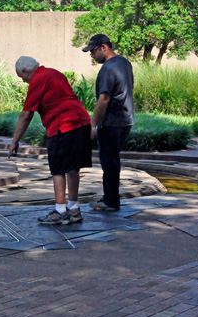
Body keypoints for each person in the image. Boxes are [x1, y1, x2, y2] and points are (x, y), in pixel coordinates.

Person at [8, 56, 92, 225]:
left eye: (21, 77)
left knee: (58, 169)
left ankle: (60, 211)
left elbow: (26, 114)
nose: (23, 81)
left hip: (62, 126)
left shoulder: (38, 79)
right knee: (72, 167)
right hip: (82, 122)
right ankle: (74, 209)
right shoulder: (54, 73)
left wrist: (15, 141)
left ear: (26, 71)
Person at [82, 34, 135, 211]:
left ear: (103, 48)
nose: (92, 55)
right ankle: (110, 198)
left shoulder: (107, 68)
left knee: (109, 162)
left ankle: (111, 201)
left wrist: (93, 124)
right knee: (113, 160)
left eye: (93, 51)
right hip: (126, 120)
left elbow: (104, 99)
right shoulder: (124, 63)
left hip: (111, 122)